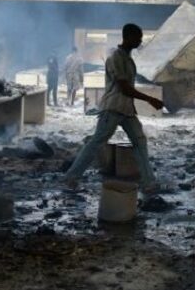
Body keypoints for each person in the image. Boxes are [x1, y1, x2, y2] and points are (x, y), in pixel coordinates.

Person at [63, 23, 164, 193]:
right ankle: (71, 177)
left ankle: (148, 183)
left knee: (140, 142)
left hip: (126, 110)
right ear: (127, 37)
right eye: (137, 37)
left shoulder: (127, 59)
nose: (139, 41)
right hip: (113, 108)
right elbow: (124, 88)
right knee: (96, 143)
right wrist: (149, 99)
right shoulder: (115, 58)